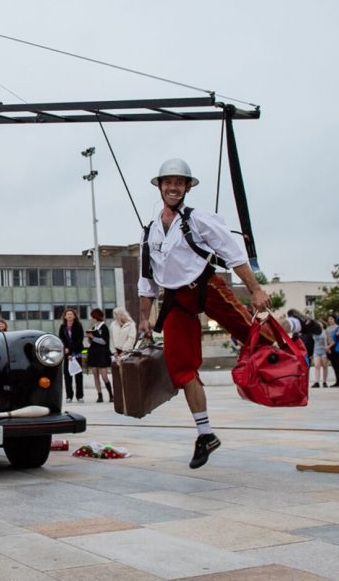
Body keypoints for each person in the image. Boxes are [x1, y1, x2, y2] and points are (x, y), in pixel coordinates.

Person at [137, 158, 270, 470]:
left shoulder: (199, 220)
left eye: (179, 183)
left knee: (256, 335)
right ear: (159, 186)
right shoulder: (150, 231)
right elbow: (147, 279)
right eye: (167, 182)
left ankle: (290, 367)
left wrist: (255, 290)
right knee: (180, 368)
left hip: (206, 286)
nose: (173, 188)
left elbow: (233, 254)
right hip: (175, 298)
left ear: (186, 188)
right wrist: (144, 317)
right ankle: (205, 434)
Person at [85, 308, 113, 402]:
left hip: (102, 353)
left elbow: (104, 341)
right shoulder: (93, 327)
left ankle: (111, 394)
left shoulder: (104, 327)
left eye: (92, 317)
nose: (91, 319)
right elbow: (92, 341)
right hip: (93, 353)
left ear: (96, 317)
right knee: (95, 375)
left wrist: (93, 337)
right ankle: (99, 395)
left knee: (104, 375)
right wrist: (89, 338)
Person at [57, 308, 84, 403]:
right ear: (65, 316)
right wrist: (66, 351)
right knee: (67, 375)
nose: (69, 316)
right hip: (66, 353)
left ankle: (79, 396)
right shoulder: (62, 327)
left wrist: (70, 350)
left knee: (78, 375)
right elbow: (61, 339)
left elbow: (79, 340)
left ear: (74, 316)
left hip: (76, 353)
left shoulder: (78, 326)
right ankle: (69, 396)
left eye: (71, 314)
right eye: (67, 314)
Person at [310, 321, 329, 388]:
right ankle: (316, 382)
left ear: (322, 324)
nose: (318, 324)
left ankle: (324, 382)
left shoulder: (324, 331)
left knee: (325, 366)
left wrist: (327, 349)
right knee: (317, 366)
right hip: (316, 350)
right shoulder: (314, 332)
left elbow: (326, 342)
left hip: (323, 350)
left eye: (320, 323)